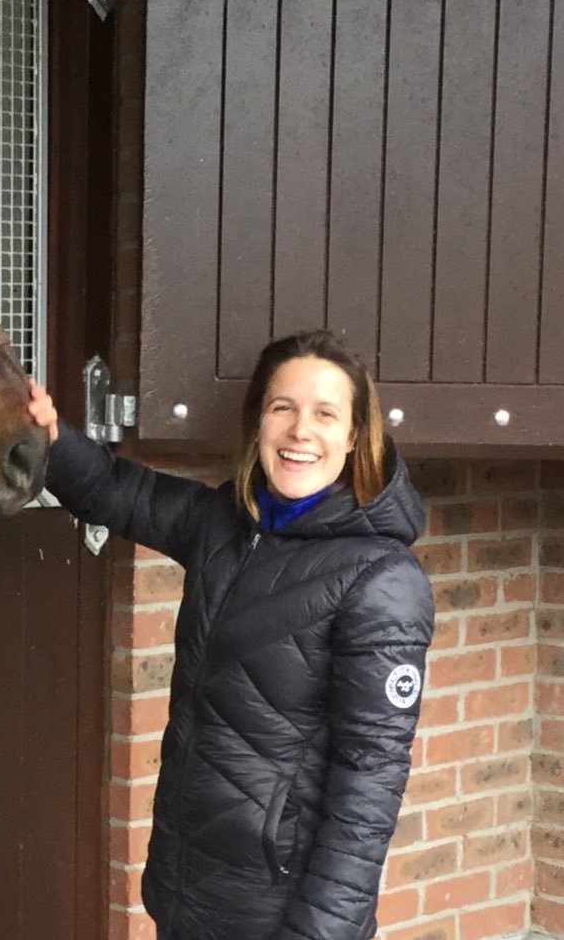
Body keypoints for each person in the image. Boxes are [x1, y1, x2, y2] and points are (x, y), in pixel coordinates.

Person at [28, 328, 434, 940]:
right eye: (283, 408)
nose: (301, 431)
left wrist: (321, 931)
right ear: (258, 424)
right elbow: (120, 492)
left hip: (278, 908)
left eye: (326, 414)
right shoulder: (226, 523)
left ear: (354, 437)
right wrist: (50, 437)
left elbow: (370, 780)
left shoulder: (381, 578)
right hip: (190, 882)